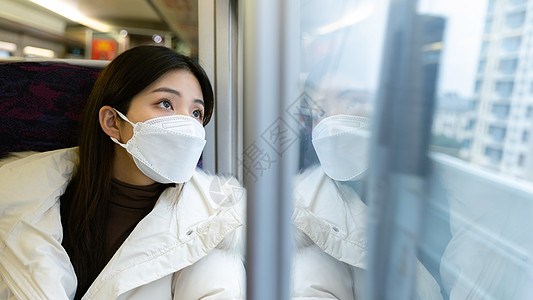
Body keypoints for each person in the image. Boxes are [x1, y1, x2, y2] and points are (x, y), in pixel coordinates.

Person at [0, 45, 245, 300]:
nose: (187, 126)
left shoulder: (214, 221)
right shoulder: (18, 198)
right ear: (112, 122)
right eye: (165, 103)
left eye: (196, 113)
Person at [291, 68, 443, 299]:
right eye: (321, 110)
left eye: (352, 102)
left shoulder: (435, 192)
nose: (332, 120)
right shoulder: (301, 213)